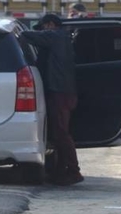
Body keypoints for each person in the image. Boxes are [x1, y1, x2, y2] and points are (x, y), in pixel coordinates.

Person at [19, 13, 83, 186]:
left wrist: (17, 33)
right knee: (58, 133)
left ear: (50, 25)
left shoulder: (57, 36)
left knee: (61, 133)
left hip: (60, 93)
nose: (44, 32)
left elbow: (27, 36)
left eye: (44, 28)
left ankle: (74, 171)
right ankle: (61, 171)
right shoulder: (62, 40)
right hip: (63, 92)